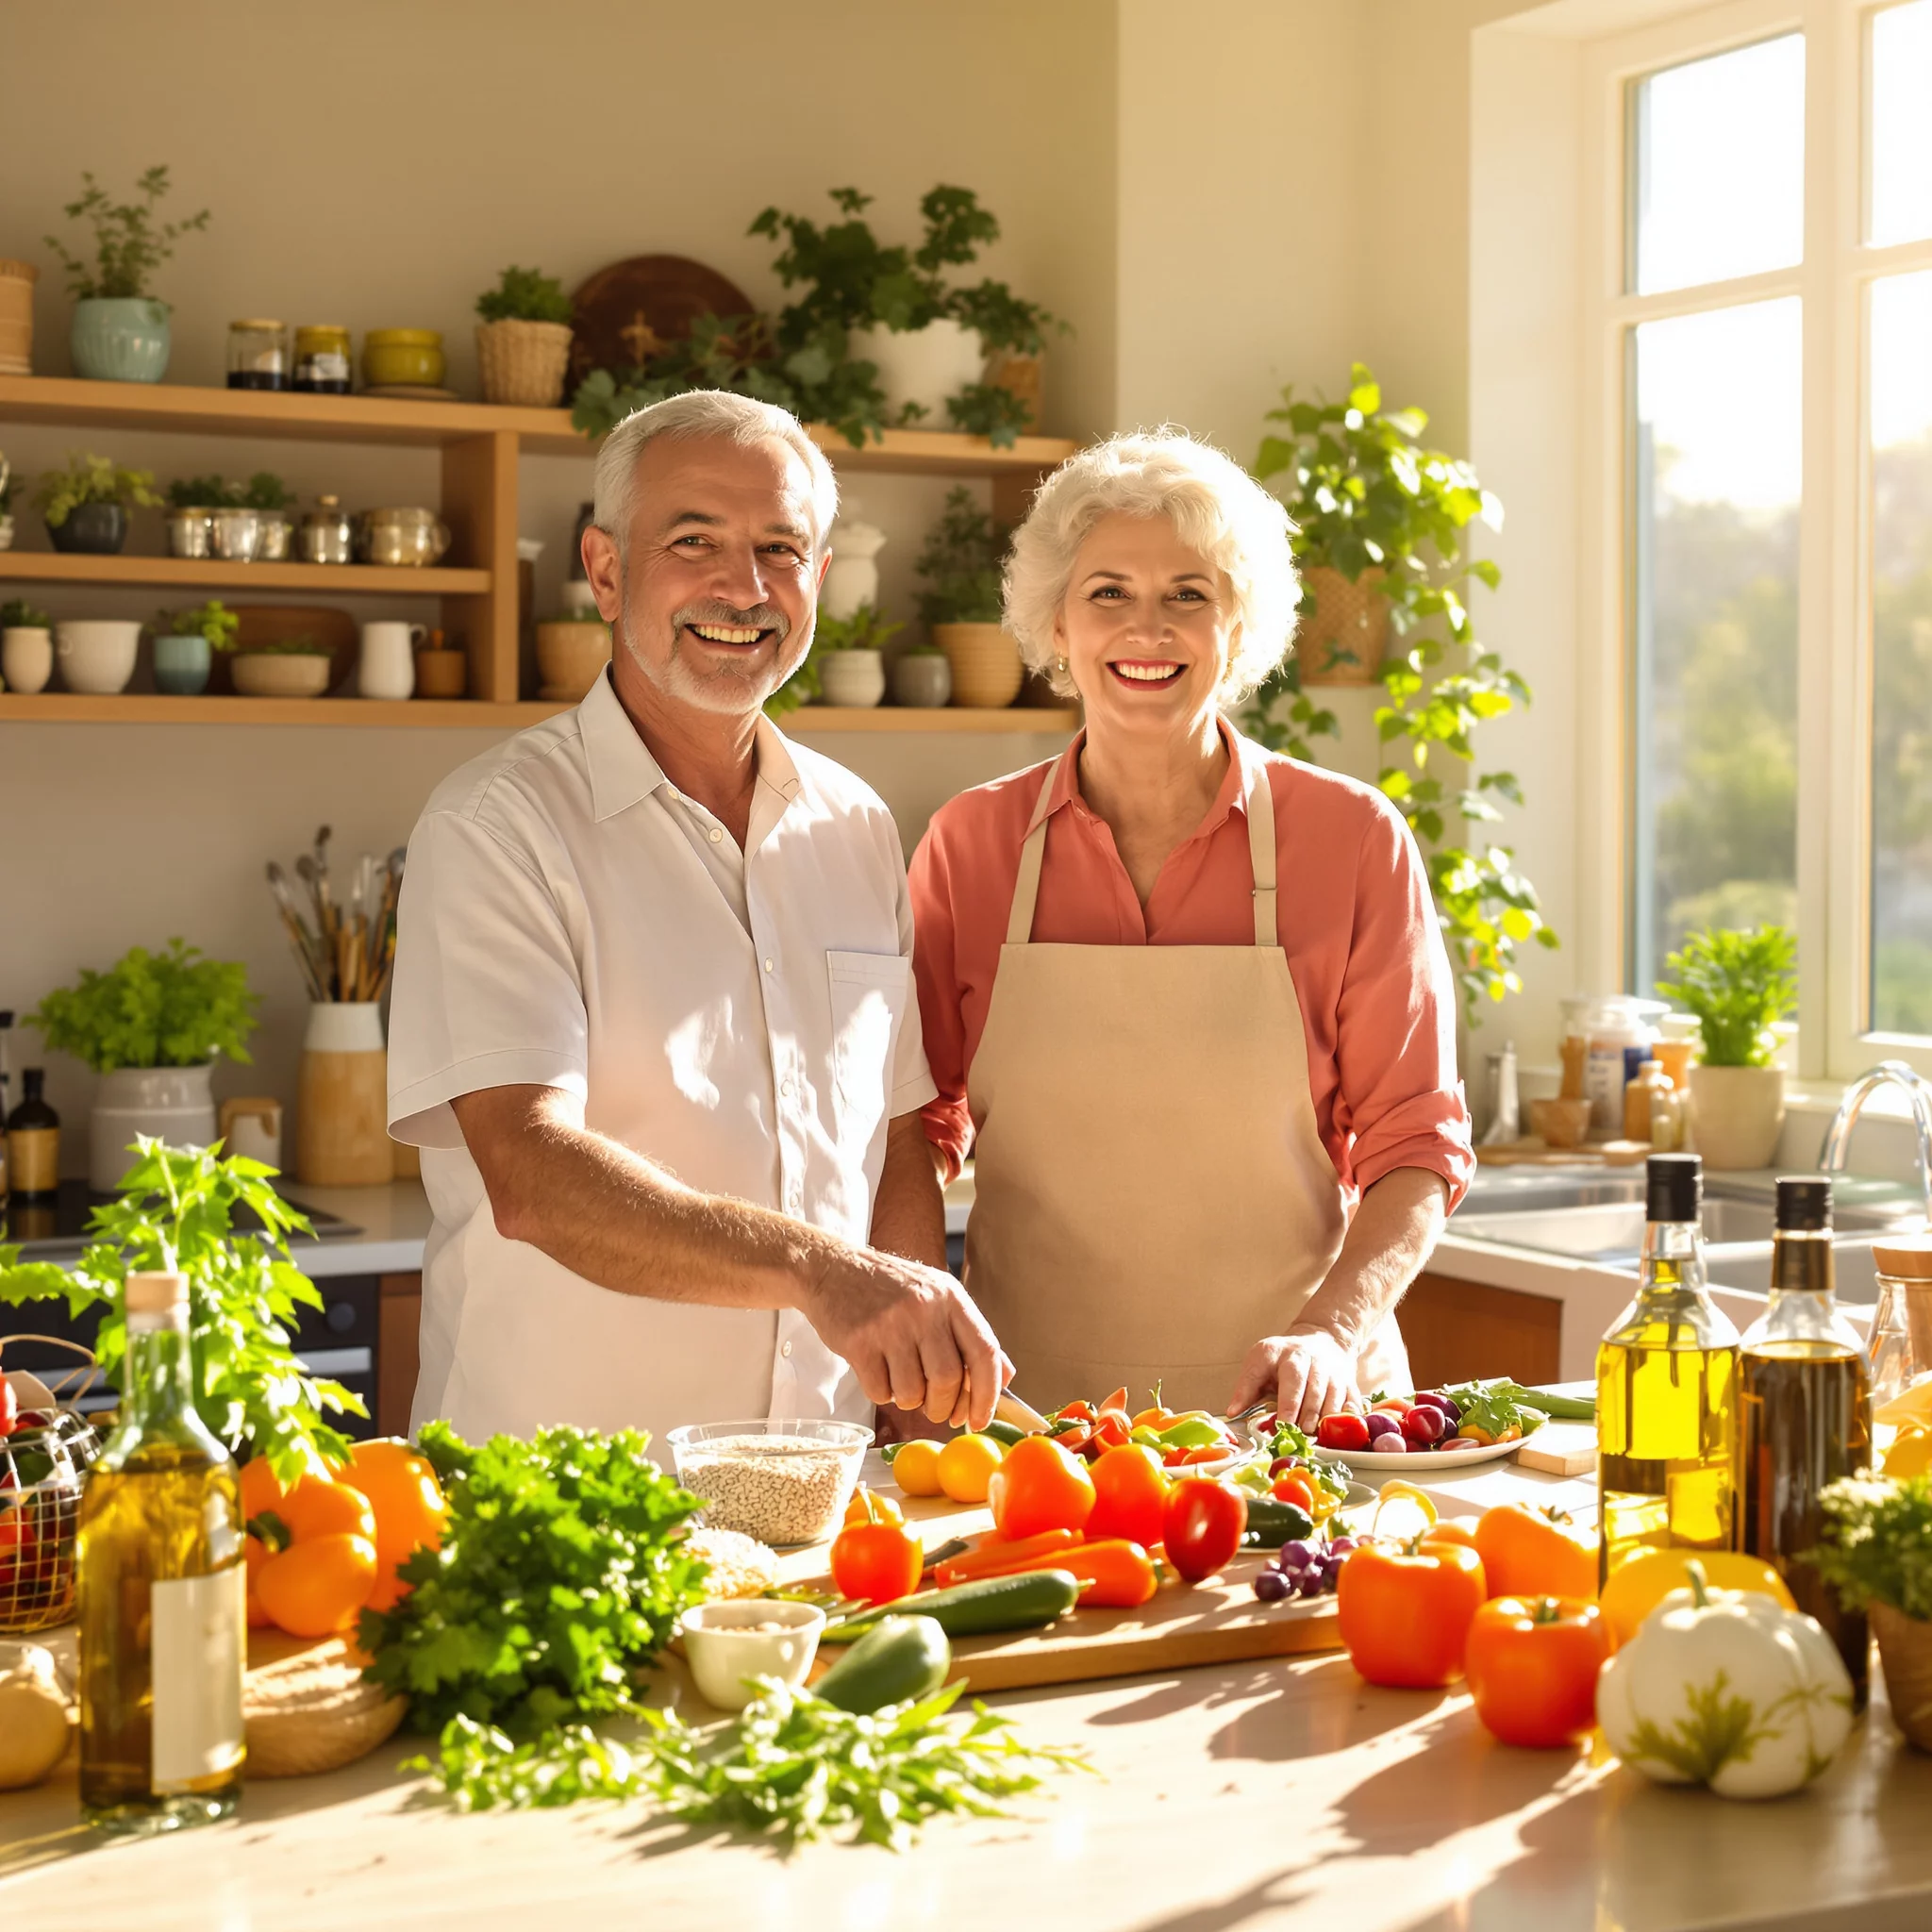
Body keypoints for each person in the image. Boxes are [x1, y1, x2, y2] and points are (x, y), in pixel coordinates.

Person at [387, 391, 1008, 1450]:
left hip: (816, 1494)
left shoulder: (853, 825)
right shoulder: (499, 824)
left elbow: (897, 1136)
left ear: (817, 577)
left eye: (780, 546)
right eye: (693, 541)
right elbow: (532, 1175)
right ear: (605, 568)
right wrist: (824, 1272)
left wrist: (914, 1413)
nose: (744, 587)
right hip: (564, 1501)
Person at [908, 429, 1474, 1428]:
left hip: (1294, 1415)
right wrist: (913, 1329)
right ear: (1054, 623)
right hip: (1026, 1418)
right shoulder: (971, 844)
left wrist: (1331, 1332)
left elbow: (1415, 1140)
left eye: (1187, 595)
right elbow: (914, 1123)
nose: (1147, 628)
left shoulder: (1347, 839)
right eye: (1107, 593)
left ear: (1236, 624)